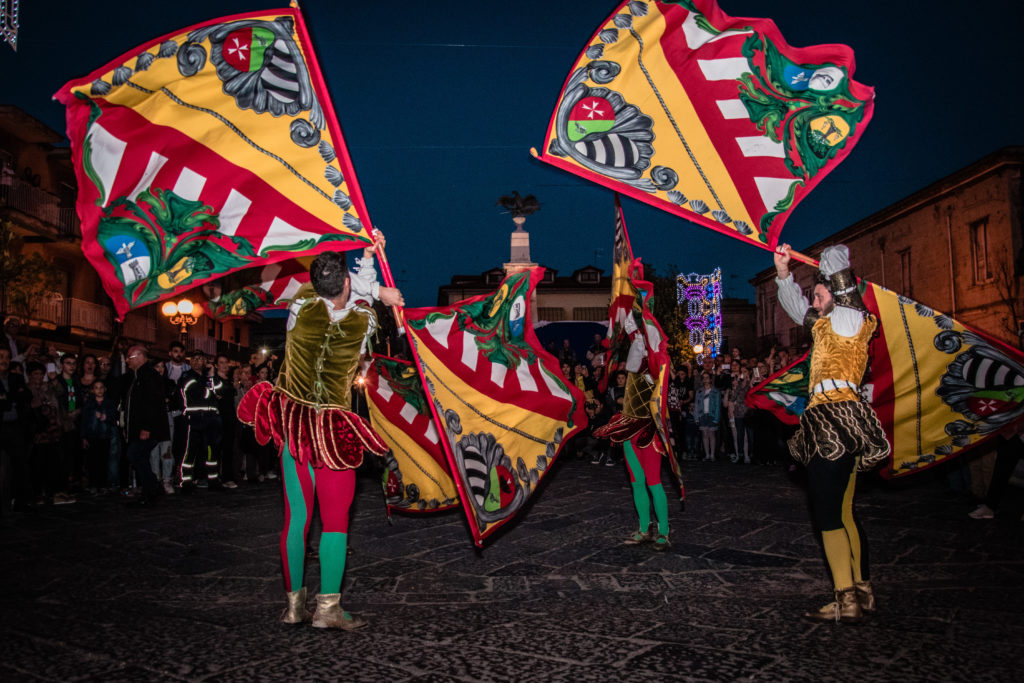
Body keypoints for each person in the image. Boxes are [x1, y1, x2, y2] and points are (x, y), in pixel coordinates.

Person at [239, 231, 402, 630]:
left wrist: (365, 262)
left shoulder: (299, 308)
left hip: (294, 428)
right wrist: (380, 284)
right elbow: (362, 297)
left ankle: (294, 606)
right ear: (344, 283)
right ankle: (327, 609)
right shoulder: (363, 321)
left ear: (314, 286)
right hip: (332, 434)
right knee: (335, 522)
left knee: (296, 520)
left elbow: (350, 290)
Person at [774, 243, 890, 623]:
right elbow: (796, 309)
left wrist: (830, 261)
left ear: (837, 295)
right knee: (843, 511)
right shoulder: (827, 326)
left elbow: (840, 285)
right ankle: (863, 590)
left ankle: (846, 599)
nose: (814, 300)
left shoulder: (850, 319)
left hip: (834, 423)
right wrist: (783, 273)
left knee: (827, 513)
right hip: (840, 422)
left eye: (819, 294)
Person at [121, 345, 170, 506]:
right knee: (139, 456)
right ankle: (150, 489)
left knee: (135, 454)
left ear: (140, 356)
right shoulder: (137, 376)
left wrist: (147, 427)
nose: (127, 360)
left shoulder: (148, 376)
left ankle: (152, 488)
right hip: (141, 427)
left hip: (149, 428)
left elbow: (152, 403)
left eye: (130, 357)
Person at [179, 351, 224, 491]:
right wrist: (210, 392)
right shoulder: (187, 376)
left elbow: (220, 391)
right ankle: (186, 481)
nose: (197, 361)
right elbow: (197, 392)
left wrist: (211, 377)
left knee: (212, 450)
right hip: (195, 418)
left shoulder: (208, 377)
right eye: (194, 359)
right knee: (190, 450)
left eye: (200, 359)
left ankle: (213, 479)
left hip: (211, 418)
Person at [0, 347, 32, 511]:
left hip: (14, 427)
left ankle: (20, 500)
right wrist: (11, 398)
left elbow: (26, 395)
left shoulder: (16, 378)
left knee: (20, 464)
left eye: (7, 357)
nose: (4, 360)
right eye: (1, 357)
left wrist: (8, 398)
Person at [694, 372, 720, 461]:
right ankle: (707, 454)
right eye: (704, 378)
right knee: (704, 434)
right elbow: (696, 405)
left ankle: (712, 455)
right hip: (702, 415)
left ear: (710, 379)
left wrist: (717, 418)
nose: (705, 379)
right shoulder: (699, 391)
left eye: (707, 377)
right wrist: (696, 417)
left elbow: (717, 405)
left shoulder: (715, 391)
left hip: (711, 415)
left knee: (711, 434)